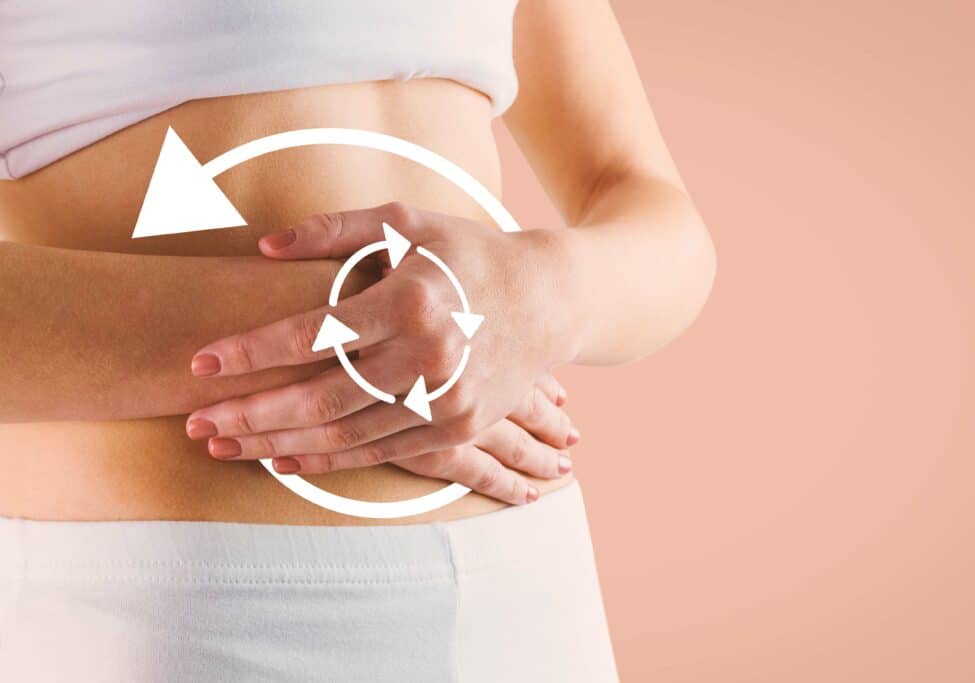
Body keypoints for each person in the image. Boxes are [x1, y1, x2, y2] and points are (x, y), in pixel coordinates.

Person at [0, 1, 715, 680]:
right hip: (180, 605)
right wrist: (382, 327)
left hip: (531, 586)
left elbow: (657, 214)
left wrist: (538, 292)